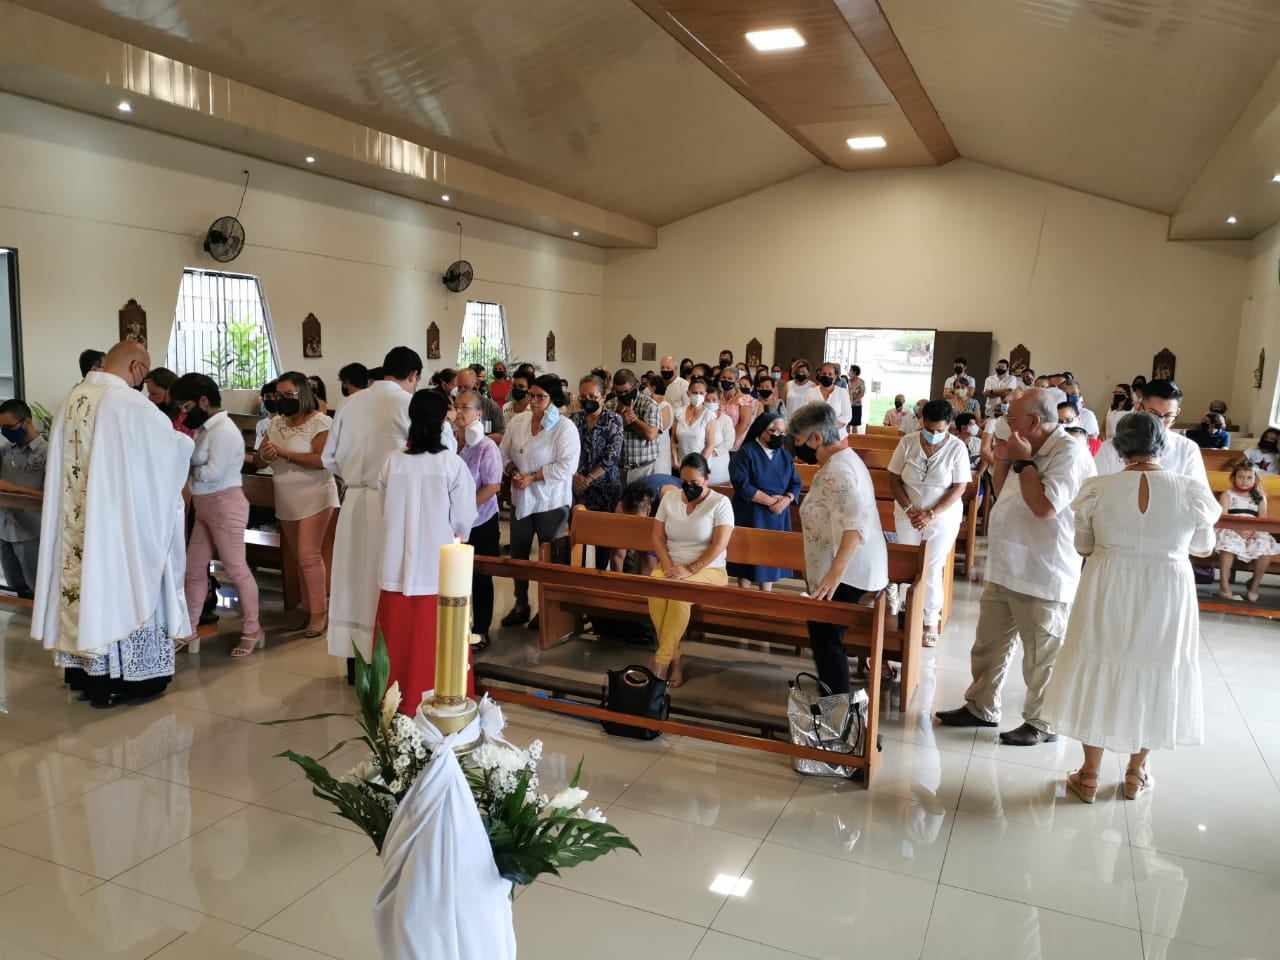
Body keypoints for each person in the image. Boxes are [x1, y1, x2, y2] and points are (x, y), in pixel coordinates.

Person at [1041, 413, 1221, 802]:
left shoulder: (1097, 488)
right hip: (1167, 586)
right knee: (1156, 666)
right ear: (1163, 445)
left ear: (1118, 448)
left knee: (1098, 661)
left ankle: (1089, 774)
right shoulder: (1189, 489)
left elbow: (1083, 546)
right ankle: (1136, 773)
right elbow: (1203, 547)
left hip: (1108, 582)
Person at [33, 341, 193, 708]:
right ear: (137, 368)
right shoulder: (130, 404)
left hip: (83, 528)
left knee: (86, 589)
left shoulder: (73, 399)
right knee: (123, 590)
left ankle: (86, 675)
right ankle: (128, 681)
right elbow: (165, 459)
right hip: (119, 533)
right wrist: (183, 445)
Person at [936, 388, 1096, 745]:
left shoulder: (1069, 453)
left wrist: (1023, 462)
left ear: (1035, 421)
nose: (1007, 423)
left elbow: (1044, 507)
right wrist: (1005, 458)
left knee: (1042, 655)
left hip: (1043, 571)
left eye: (1012, 418)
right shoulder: (1027, 447)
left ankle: (1044, 721)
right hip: (1006, 565)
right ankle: (981, 705)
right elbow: (1001, 489)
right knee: (988, 645)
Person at [374, 390, 477, 716]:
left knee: (399, 643)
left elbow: (384, 509)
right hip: (439, 571)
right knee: (435, 643)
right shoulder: (451, 464)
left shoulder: (392, 461)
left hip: (397, 568)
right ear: (442, 419)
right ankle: (441, 702)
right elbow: (464, 518)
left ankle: (395, 704)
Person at [322, 348, 421, 674]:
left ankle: (355, 666)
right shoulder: (408, 404)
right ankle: (383, 663)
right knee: (382, 581)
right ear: (413, 376)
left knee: (353, 581)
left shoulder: (350, 403)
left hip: (354, 502)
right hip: (391, 503)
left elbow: (330, 459)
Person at [792, 402, 889, 692]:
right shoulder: (842, 461)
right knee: (825, 638)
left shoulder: (840, 470)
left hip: (847, 572)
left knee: (826, 640)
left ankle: (836, 719)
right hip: (844, 567)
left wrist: (833, 576)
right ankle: (834, 713)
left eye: (798, 441)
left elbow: (856, 526)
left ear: (816, 439)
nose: (796, 448)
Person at [171, 374, 263, 657]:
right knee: (195, 569)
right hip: (205, 507)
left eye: (185, 406)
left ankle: (253, 629)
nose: (184, 413)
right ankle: (190, 628)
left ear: (203, 401)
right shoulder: (205, 428)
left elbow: (213, 473)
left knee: (236, 568)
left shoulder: (224, 430)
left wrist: (186, 467)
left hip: (225, 505)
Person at [260, 372, 339, 638]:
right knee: (298, 557)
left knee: (308, 553)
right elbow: (261, 459)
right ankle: (307, 607)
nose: (282, 400)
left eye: (288, 395)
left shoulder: (320, 422)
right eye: (278, 395)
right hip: (287, 496)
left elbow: (321, 460)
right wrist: (265, 454)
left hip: (315, 493)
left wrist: (283, 454)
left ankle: (319, 612)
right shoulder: (276, 423)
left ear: (302, 394)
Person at [887, 401, 972, 647]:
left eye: (939, 431)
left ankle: (929, 619)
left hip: (942, 518)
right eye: (930, 429)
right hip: (907, 515)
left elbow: (959, 487)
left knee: (931, 567)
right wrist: (910, 509)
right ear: (923, 422)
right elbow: (893, 478)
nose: (933, 435)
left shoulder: (957, 448)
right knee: (908, 565)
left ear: (949, 427)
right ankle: (906, 611)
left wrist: (931, 513)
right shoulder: (908, 442)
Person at [499, 375, 580, 628]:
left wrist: (533, 477)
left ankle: (548, 608)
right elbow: (503, 453)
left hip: (551, 502)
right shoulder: (518, 421)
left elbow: (567, 466)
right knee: (520, 555)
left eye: (539, 397)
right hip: (521, 498)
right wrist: (513, 471)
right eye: (531, 395)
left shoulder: (564, 428)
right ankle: (520, 603)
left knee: (549, 557)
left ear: (553, 399)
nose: (532, 401)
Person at [648, 453, 734, 687]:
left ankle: (661, 662)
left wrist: (689, 569)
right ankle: (674, 659)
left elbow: (719, 544)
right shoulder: (670, 499)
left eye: (694, 483)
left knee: (679, 596)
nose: (688, 488)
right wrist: (667, 565)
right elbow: (656, 537)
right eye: (684, 483)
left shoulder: (720, 503)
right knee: (655, 593)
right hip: (671, 565)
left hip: (709, 569)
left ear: (707, 479)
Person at [453, 390, 503, 650]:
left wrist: (463, 508)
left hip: (480, 521)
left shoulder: (486, 447)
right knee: (454, 577)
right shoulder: (450, 442)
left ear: (479, 414)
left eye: (466, 408)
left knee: (480, 578)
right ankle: (455, 627)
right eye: (456, 406)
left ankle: (481, 630)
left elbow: (492, 486)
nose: (459, 413)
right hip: (453, 523)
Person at [728, 413, 801, 591]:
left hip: (777, 514)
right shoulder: (745, 453)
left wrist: (787, 499)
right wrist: (770, 501)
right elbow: (741, 483)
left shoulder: (784, 456)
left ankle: (766, 593)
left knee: (770, 556)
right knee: (747, 556)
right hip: (751, 512)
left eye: (782, 432)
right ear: (761, 430)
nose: (777, 435)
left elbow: (795, 482)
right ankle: (743, 594)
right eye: (773, 431)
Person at [1094, 380, 1209, 487]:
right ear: (1139, 408)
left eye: (1168, 416)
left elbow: (1200, 498)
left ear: (1177, 412)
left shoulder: (1187, 449)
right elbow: (1095, 492)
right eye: (1153, 414)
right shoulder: (1111, 448)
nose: (1160, 422)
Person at [1213, 460, 1279, 603]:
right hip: (1231, 528)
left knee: (1265, 545)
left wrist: (1257, 531)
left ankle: (1254, 585)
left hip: (1254, 529)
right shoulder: (1227, 494)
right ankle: (1224, 587)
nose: (1244, 481)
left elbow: (1262, 519)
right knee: (1228, 543)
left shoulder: (1260, 497)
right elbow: (1223, 518)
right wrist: (1238, 529)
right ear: (1234, 478)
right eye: (1240, 477)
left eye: (1249, 477)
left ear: (1255, 479)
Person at [0, 399, 47, 599]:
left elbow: (53, 497)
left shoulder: (48, 452)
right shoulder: (5, 450)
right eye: (1, 427)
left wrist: (15, 489)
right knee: (15, 587)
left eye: (9, 427)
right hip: (4, 529)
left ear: (27, 421)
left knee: (37, 588)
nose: (5, 432)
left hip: (30, 532)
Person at [571, 374, 624, 518]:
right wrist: (576, 477)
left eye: (592, 397)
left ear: (603, 397)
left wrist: (588, 480)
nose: (587, 400)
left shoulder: (614, 420)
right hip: (577, 484)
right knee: (578, 531)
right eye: (583, 396)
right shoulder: (575, 418)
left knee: (603, 532)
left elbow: (611, 456)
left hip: (605, 486)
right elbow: (566, 451)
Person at [609, 369, 661, 484]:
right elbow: (605, 435)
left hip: (643, 468)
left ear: (635, 386)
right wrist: (620, 422)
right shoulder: (610, 404)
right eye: (619, 392)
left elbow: (651, 434)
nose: (623, 395)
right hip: (618, 468)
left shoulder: (649, 404)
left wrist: (633, 419)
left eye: (626, 391)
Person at [673, 378, 717, 470]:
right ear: (688, 393)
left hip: (700, 467)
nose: (698, 396)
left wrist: (698, 465)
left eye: (701, 393)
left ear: (705, 395)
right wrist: (675, 461)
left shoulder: (709, 415)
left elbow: (710, 445)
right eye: (695, 392)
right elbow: (673, 440)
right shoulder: (679, 412)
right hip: (681, 465)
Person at [455, 367, 505, 438]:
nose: (462, 391)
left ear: (477, 384)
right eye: (459, 388)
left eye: (466, 387)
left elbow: (502, 434)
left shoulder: (490, 406)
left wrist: (478, 439)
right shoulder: (455, 406)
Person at [813, 362, 852, 434]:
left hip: (838, 438)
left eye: (830, 374)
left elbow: (847, 416)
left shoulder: (842, 392)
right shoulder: (810, 393)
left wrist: (828, 427)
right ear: (820, 375)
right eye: (824, 374)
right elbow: (807, 415)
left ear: (835, 377)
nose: (827, 376)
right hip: (815, 438)